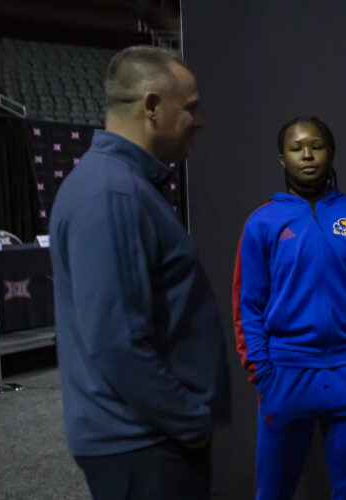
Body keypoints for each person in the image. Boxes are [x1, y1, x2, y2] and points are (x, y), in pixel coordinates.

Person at [50, 46, 230, 500]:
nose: (199, 121)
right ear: (151, 106)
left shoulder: (120, 186)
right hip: (145, 445)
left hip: (147, 439)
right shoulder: (112, 194)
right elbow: (117, 343)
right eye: (190, 108)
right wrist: (190, 423)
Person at [232, 116, 346, 500]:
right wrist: (263, 372)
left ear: (331, 153)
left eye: (316, 146)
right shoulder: (262, 222)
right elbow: (248, 304)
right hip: (287, 372)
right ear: (282, 158)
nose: (307, 155)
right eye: (296, 148)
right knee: (272, 492)